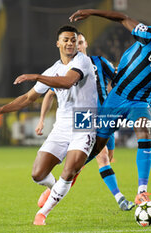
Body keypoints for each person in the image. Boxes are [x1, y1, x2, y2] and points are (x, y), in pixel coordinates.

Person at [0, 25, 98, 225]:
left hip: (84, 121)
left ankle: (42, 213)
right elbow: (29, 98)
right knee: (38, 174)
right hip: (62, 126)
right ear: (58, 43)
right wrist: (1, 110)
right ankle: (55, 189)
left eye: (73, 40)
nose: (70, 43)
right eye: (66, 40)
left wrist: (35, 77)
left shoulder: (83, 61)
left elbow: (68, 82)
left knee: (69, 170)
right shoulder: (53, 70)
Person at [69, 9, 151, 205]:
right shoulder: (149, 35)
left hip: (140, 102)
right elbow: (122, 18)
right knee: (97, 146)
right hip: (117, 97)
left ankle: (142, 192)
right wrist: (91, 12)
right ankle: (69, 176)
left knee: (144, 133)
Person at [35, 32, 134, 211]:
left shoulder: (99, 62)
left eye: (79, 42)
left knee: (105, 158)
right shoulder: (68, 68)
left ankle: (56, 188)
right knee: (102, 157)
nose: (77, 46)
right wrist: (42, 119)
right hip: (84, 117)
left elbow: (118, 81)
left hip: (105, 116)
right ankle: (120, 199)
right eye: (74, 42)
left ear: (85, 43)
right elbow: (49, 93)